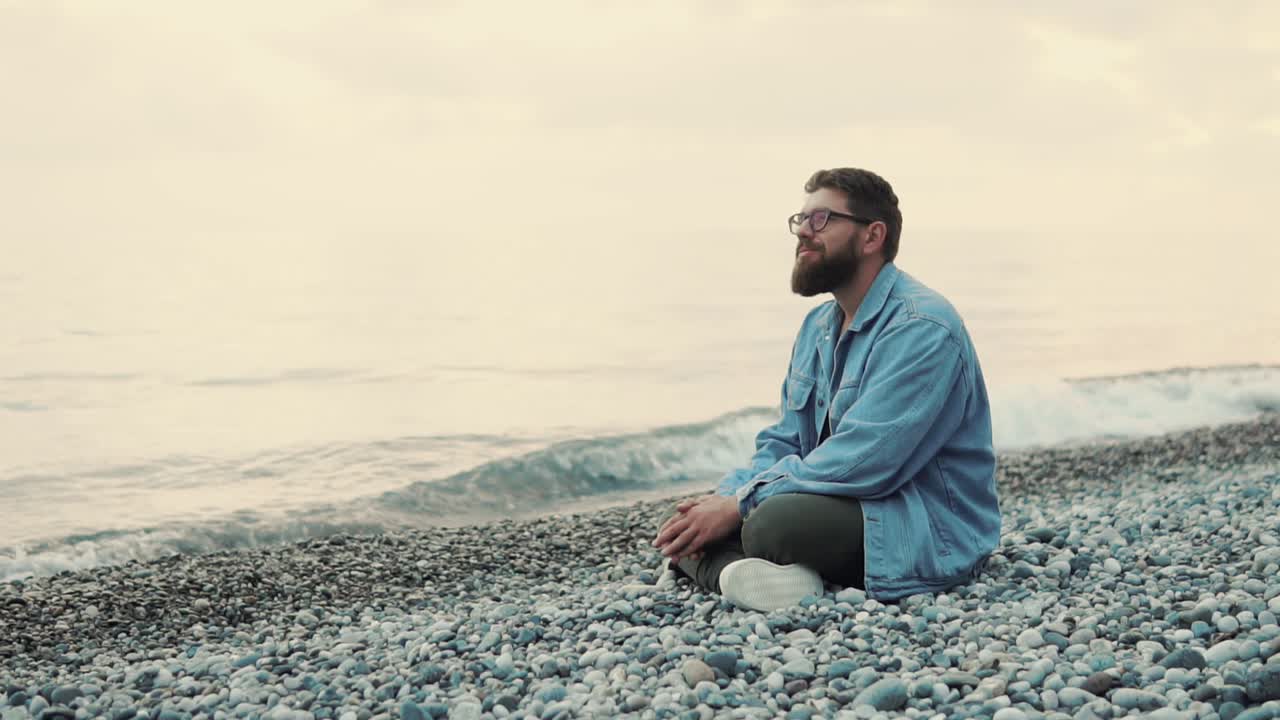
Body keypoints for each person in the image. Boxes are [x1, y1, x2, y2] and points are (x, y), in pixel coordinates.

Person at [652, 168, 1001, 611]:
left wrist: (740, 507)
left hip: (920, 525)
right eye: (800, 219)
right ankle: (753, 577)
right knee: (681, 523)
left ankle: (737, 567)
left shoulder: (922, 326)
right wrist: (726, 497)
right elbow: (785, 440)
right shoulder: (818, 326)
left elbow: (869, 460)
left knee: (769, 525)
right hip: (838, 500)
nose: (803, 233)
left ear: (872, 236)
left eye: (820, 220)